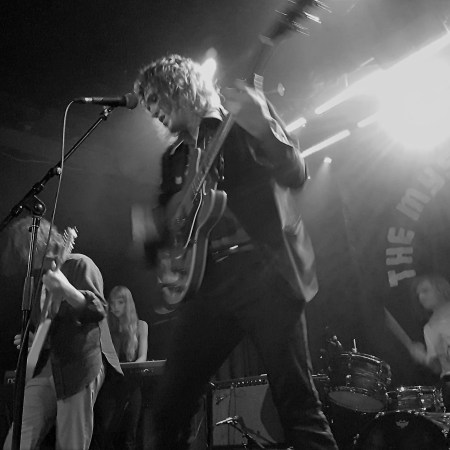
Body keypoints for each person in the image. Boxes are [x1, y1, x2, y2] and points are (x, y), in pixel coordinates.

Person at [132, 54, 338, 450]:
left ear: (179, 88)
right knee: (168, 409)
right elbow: (170, 226)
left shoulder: (240, 119)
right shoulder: (173, 158)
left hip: (265, 273)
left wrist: (264, 130)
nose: (152, 111)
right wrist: (152, 239)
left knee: (297, 406)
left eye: (155, 99)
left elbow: (296, 174)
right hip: (209, 285)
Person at [2, 216, 122, 450]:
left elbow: (98, 309)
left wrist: (68, 290)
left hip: (78, 366)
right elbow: (47, 327)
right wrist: (34, 340)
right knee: (17, 439)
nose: (24, 257)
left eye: (25, 248)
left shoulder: (80, 264)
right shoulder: (39, 282)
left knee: (70, 444)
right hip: (48, 367)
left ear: (38, 243)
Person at [107, 286, 148, 450]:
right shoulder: (108, 328)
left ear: (128, 304)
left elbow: (142, 357)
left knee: (130, 435)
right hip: (111, 385)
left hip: (132, 384)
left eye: (120, 302)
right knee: (108, 434)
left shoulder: (141, 326)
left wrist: (131, 367)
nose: (115, 307)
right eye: (112, 303)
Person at [408, 274, 450, 410]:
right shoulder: (429, 328)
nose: (421, 297)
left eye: (425, 291)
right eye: (418, 294)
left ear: (441, 289)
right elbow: (438, 367)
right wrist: (423, 358)